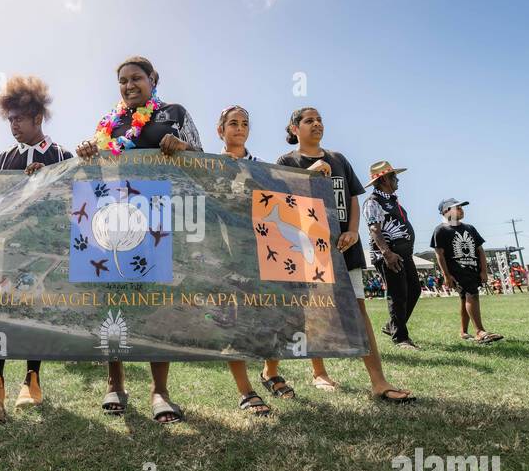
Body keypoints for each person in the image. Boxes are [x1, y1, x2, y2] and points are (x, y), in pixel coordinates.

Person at [74, 55, 200, 423]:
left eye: (136, 79)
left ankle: (160, 391)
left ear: (152, 79)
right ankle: (115, 383)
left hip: (159, 218)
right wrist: (87, 154)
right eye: (123, 81)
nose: (129, 86)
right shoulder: (108, 122)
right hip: (113, 216)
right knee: (112, 300)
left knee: (157, 302)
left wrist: (183, 147)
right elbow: (100, 168)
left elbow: (204, 157)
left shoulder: (174, 113)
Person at [264, 108, 413, 402]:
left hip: (344, 247)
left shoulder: (339, 159)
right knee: (310, 311)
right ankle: (316, 372)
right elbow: (280, 201)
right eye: (308, 120)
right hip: (305, 248)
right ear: (295, 128)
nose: (317, 124)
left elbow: (354, 199)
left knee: (358, 312)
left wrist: (353, 231)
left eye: (319, 119)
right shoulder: (286, 161)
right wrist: (308, 175)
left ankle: (379, 381)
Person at [0, 75, 74, 422]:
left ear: (38, 118)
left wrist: (46, 184)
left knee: (35, 313)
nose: (13, 125)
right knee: (1, 313)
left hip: (46, 254)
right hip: (7, 252)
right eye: (10, 119)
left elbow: (72, 205)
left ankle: (32, 379)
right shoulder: (3, 160)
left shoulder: (63, 156)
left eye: (19, 118)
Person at [214, 105, 272, 415]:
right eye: (233, 123)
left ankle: (270, 372)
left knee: (268, 317)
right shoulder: (207, 165)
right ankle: (245, 390)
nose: (239, 128)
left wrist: (312, 174)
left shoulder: (263, 167)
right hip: (225, 254)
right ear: (220, 130)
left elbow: (287, 196)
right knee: (231, 319)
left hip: (263, 252)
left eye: (245, 123)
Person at [365, 160, 421, 349]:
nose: (397, 180)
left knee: (414, 289)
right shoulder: (374, 201)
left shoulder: (392, 201)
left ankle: (393, 325)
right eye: (394, 177)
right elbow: (374, 229)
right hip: (389, 255)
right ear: (385, 180)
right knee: (398, 294)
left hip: (404, 255)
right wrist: (387, 253)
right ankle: (401, 338)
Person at [430, 198, 503, 344]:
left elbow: (480, 250)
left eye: (461, 207)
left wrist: (484, 270)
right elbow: (439, 254)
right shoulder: (441, 230)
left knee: (465, 298)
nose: (461, 210)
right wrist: (446, 275)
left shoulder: (470, 228)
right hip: (457, 270)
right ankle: (479, 332)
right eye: (457, 207)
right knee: (472, 295)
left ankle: (463, 331)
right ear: (446, 212)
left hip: (473, 269)